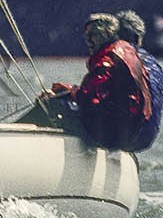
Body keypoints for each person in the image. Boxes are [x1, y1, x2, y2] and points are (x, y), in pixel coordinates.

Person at [51, 13, 152, 150]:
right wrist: (70, 90)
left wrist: (66, 93)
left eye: (94, 35)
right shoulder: (127, 51)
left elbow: (89, 97)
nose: (89, 42)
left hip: (112, 134)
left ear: (109, 34)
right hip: (131, 132)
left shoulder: (107, 59)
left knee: (54, 103)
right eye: (87, 37)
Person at [115, 10, 163, 151]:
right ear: (138, 38)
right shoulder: (154, 63)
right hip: (147, 139)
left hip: (124, 136)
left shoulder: (115, 57)